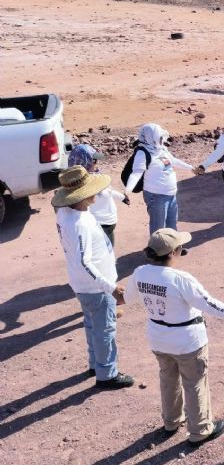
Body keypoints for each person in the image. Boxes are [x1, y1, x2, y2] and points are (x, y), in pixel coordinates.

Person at [124, 228, 224, 446]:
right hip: (187, 340)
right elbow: (210, 305)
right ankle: (200, 430)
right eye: (180, 247)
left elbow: (127, 298)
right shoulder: (181, 279)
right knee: (195, 382)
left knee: (168, 378)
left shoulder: (140, 273)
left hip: (158, 338)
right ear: (173, 252)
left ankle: (171, 421)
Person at [52, 166, 134, 389]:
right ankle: (107, 374)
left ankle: (95, 365)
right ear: (82, 195)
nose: (97, 192)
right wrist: (110, 287)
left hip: (82, 285)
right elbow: (84, 262)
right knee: (105, 330)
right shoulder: (79, 224)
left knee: (92, 325)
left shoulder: (67, 213)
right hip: (95, 288)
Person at [125, 123, 196, 236]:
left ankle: (172, 245)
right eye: (159, 137)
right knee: (158, 229)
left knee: (171, 226)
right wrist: (128, 190)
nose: (161, 139)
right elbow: (136, 173)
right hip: (156, 196)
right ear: (150, 137)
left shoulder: (161, 149)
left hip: (171, 194)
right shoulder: (142, 153)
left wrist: (191, 168)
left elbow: (173, 161)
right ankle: (157, 248)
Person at [68, 144, 129, 247]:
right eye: (94, 161)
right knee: (106, 250)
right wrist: (122, 197)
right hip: (102, 223)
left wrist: (122, 198)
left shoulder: (75, 182)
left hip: (104, 222)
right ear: (85, 162)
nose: (97, 163)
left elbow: (109, 191)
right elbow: (107, 192)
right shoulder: (92, 181)